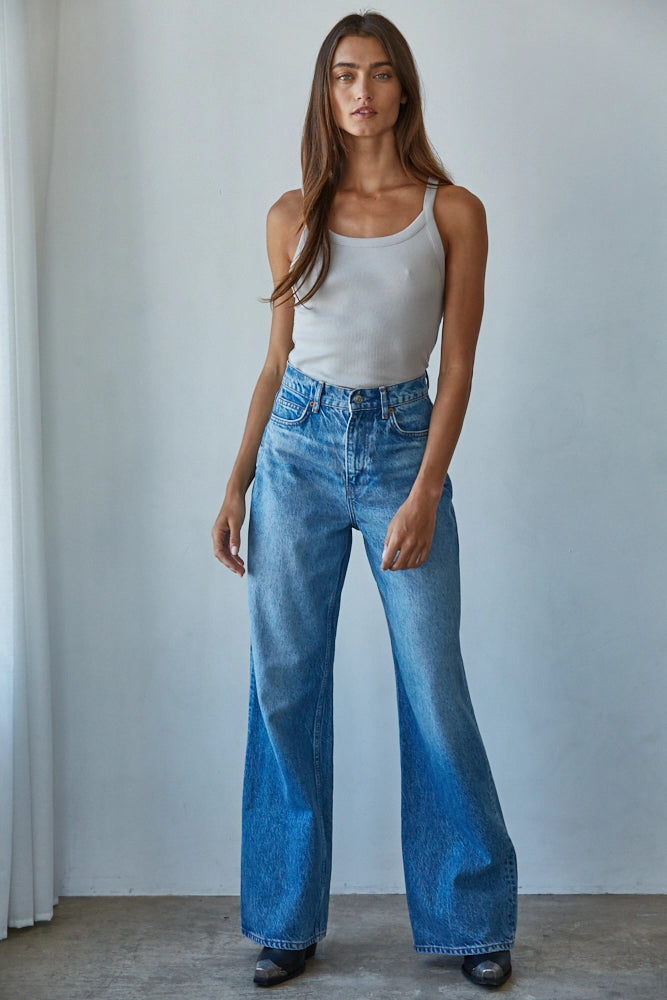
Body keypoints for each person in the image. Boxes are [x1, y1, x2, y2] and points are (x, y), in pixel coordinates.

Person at [212, 11, 517, 989]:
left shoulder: (452, 209)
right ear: (326, 92)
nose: (362, 91)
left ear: (402, 91)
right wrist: (237, 478)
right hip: (295, 453)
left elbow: (459, 364)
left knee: (434, 689)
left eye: (380, 75)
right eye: (344, 75)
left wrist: (426, 486)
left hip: (399, 448)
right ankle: (283, 919)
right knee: (284, 688)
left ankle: (472, 919)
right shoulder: (290, 212)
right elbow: (273, 364)